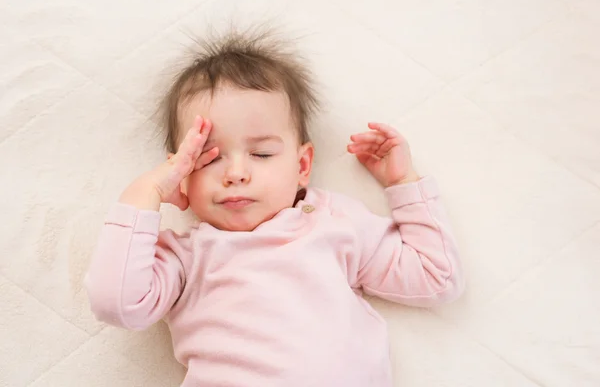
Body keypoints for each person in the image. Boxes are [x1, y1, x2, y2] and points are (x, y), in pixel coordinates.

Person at [85, 29, 465, 387]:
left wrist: (404, 183)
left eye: (261, 153)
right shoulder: (184, 258)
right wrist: (146, 191)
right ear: (181, 174)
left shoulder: (333, 223)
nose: (236, 173)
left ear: (302, 166)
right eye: (208, 158)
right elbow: (115, 304)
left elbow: (437, 276)